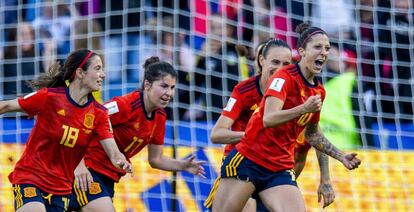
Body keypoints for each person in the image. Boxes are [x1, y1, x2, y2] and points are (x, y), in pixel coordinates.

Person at [212, 23, 361, 212]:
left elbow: (313, 134)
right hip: (249, 160)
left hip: (280, 167)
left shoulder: (318, 91)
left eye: (327, 48)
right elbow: (269, 118)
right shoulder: (283, 77)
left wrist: (341, 156)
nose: (323, 52)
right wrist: (303, 108)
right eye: (317, 47)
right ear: (302, 51)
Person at [0, 49, 132, 212]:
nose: (103, 74)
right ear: (80, 73)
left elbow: (114, 153)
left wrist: (121, 161)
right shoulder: (49, 97)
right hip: (31, 177)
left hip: (61, 188)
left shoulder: (99, 114)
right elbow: (6, 106)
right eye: (97, 69)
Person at [69, 56, 206, 211]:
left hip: (108, 178)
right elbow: (80, 123)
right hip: (88, 170)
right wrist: (79, 167)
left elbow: (156, 159)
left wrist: (183, 165)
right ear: (147, 85)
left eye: (172, 88)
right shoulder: (125, 105)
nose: (169, 93)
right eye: (164, 86)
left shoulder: (160, 116)